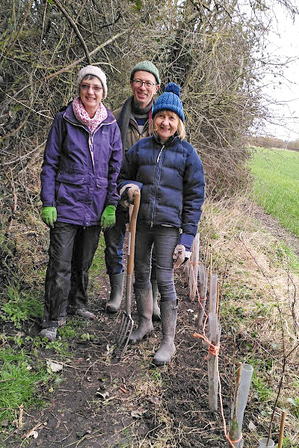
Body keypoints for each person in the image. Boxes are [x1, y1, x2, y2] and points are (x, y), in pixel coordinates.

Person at [119, 82, 205, 365]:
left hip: (169, 227)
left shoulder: (187, 154)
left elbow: (195, 198)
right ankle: (145, 323)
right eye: (161, 116)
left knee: (165, 278)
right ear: (153, 119)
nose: (165, 122)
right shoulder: (141, 148)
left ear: (178, 123)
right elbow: (122, 176)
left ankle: (169, 340)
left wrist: (187, 240)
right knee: (141, 273)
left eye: (171, 118)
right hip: (141, 222)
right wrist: (129, 189)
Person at [39, 65, 122, 341]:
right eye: (86, 86)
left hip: (95, 206)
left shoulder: (110, 125)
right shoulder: (64, 120)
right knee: (60, 262)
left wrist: (111, 204)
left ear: (103, 92)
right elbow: (50, 163)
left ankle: (78, 303)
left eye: (96, 87)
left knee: (83, 262)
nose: (90, 91)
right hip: (65, 203)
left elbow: (115, 169)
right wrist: (48, 200)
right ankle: (53, 316)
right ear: (79, 89)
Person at [104, 61, 161, 319]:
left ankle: (153, 298)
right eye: (138, 81)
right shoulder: (114, 118)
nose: (142, 87)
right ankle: (116, 292)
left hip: (151, 196)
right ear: (131, 84)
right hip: (118, 189)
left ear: (156, 88)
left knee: (151, 247)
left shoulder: (163, 120)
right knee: (113, 241)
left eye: (148, 83)